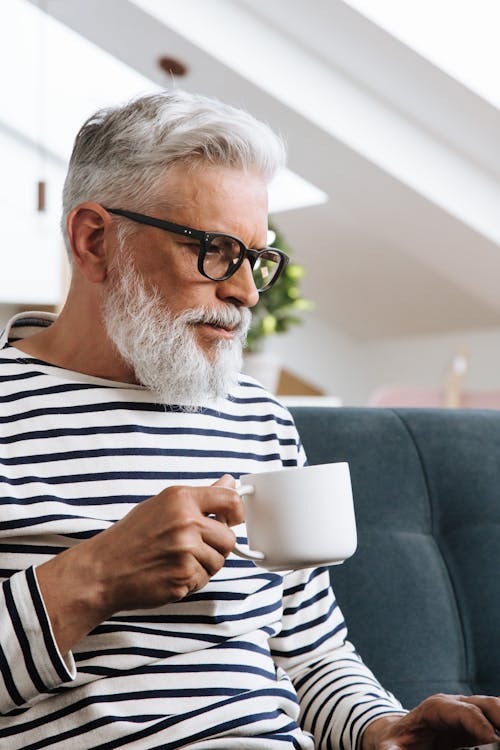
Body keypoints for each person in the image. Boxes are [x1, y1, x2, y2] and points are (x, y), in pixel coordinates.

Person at [0, 90, 498, 750]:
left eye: (256, 257)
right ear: (95, 240)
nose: (245, 291)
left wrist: (384, 728)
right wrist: (94, 576)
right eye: (212, 250)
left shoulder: (258, 419)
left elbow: (310, 655)